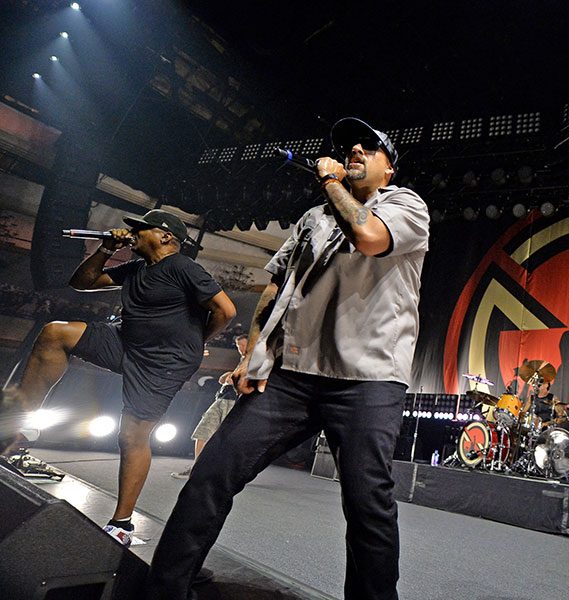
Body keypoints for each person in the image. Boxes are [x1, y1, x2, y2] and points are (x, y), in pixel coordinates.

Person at [146, 117, 429, 600]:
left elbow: (369, 237)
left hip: (369, 381)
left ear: (389, 169)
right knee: (211, 474)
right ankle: (165, 587)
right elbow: (278, 288)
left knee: (368, 507)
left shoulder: (405, 205)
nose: (354, 149)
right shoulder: (313, 218)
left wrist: (332, 180)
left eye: (368, 146)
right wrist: (254, 355)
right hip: (291, 378)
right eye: (347, 146)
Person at [0, 209, 236, 546]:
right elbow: (81, 283)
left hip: (161, 362)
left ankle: (122, 522)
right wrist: (106, 249)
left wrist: (195, 341)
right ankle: (14, 426)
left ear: (166, 237)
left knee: (131, 437)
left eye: (143, 229)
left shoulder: (183, 267)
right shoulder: (138, 268)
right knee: (56, 334)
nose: (135, 233)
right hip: (124, 341)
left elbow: (226, 310)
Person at [170, 334, 249, 479]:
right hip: (222, 399)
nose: (241, 349)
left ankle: (228, 473)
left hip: (235, 403)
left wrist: (236, 379)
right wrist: (228, 375)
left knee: (227, 438)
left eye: (244, 345)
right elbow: (224, 379)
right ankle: (196, 468)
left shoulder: (255, 362)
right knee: (203, 431)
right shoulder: (242, 361)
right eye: (239, 347)